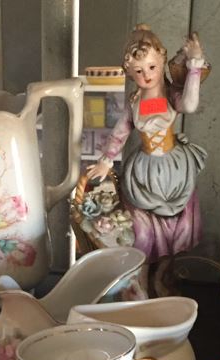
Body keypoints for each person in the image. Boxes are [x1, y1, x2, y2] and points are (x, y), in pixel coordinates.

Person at [87, 24, 209, 294]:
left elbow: (190, 105)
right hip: (143, 175)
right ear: (130, 72)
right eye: (139, 71)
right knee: (143, 234)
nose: (147, 76)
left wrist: (194, 66)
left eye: (152, 68)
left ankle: (162, 276)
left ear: (162, 62)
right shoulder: (133, 104)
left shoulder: (171, 96)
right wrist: (106, 161)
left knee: (174, 230)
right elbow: (119, 134)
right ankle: (138, 281)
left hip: (174, 171)